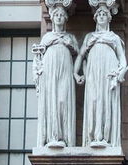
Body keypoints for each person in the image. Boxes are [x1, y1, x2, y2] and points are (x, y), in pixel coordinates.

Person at [75, 0, 128, 148]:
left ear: (108, 18)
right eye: (99, 14)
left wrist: (120, 73)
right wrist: (76, 73)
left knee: (105, 102)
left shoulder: (114, 38)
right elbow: (80, 56)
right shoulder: (89, 37)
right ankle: (93, 137)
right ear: (95, 17)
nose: (101, 16)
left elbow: (122, 60)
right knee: (94, 100)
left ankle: (104, 137)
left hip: (108, 71)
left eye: (104, 14)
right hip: (93, 72)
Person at [32, 0, 78, 150]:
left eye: (61, 15)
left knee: (63, 100)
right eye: (56, 15)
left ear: (65, 18)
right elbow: (38, 59)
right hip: (50, 72)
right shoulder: (46, 39)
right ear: (52, 18)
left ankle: (65, 137)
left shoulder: (70, 38)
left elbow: (79, 57)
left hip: (65, 70)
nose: (58, 17)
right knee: (51, 101)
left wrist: (77, 74)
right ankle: (52, 136)